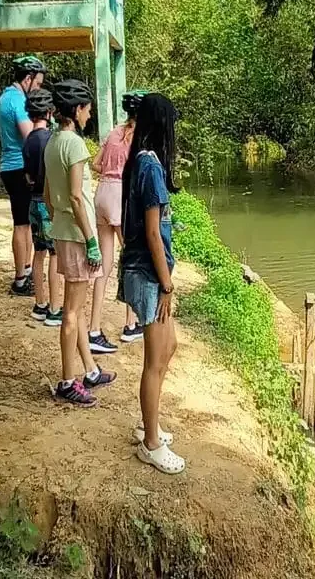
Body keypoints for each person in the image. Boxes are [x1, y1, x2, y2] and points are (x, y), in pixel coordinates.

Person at [122, 93, 185, 474]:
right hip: (149, 274)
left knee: (169, 346)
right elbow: (151, 232)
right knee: (154, 361)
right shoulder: (150, 167)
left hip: (149, 272)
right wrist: (166, 284)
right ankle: (150, 443)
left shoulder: (146, 162)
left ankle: (151, 423)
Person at [44, 78, 116, 407]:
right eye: (87, 110)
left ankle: (89, 370)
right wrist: (90, 240)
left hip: (63, 230)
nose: (89, 116)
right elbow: (75, 195)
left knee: (78, 308)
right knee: (72, 313)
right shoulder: (73, 144)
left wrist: (58, 221)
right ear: (77, 110)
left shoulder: (52, 141)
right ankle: (67, 381)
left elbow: (47, 195)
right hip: (76, 234)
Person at [90, 89, 147, 348]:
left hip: (102, 193)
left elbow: (96, 164)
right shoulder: (140, 137)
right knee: (132, 258)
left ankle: (93, 327)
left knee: (104, 263)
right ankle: (130, 324)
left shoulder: (113, 132)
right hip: (120, 196)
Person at [0, 55, 46, 296]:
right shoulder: (17, 101)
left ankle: (25, 271)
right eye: (37, 84)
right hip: (19, 168)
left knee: (23, 222)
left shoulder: (4, 97)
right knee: (23, 224)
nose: (38, 89)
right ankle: (20, 278)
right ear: (27, 79)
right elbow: (30, 136)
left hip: (9, 165)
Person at [20, 88, 63, 326]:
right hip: (48, 203)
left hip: (32, 202)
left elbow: (27, 176)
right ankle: (56, 308)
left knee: (38, 253)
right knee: (55, 254)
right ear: (49, 112)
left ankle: (40, 303)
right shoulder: (50, 140)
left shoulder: (28, 141)